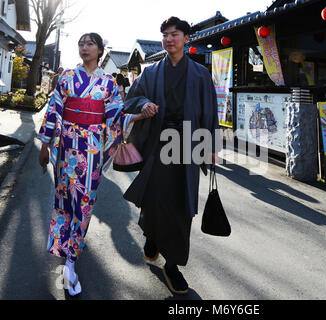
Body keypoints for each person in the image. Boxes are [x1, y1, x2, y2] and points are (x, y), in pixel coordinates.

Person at [37, 32, 148, 297]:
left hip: (92, 151)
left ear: (100, 50)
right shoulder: (65, 79)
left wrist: (138, 116)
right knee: (64, 199)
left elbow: (115, 115)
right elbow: (53, 109)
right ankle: (65, 244)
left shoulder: (108, 84)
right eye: (81, 43)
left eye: (90, 44)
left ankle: (71, 260)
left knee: (84, 203)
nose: (84, 48)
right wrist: (44, 145)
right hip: (65, 149)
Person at [123, 16, 220, 295]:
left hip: (187, 146)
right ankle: (152, 238)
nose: (169, 39)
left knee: (181, 203)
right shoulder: (150, 72)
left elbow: (210, 113)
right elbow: (131, 99)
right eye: (165, 34)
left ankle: (173, 264)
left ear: (187, 38)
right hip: (157, 143)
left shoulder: (201, 74)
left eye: (175, 34)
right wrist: (144, 103)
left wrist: (211, 147)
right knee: (154, 198)